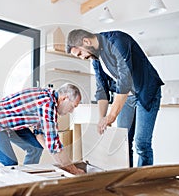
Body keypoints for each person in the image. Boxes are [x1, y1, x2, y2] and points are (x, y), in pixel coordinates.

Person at [66, 29, 164, 167]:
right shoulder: (96, 59)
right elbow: (102, 90)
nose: (82, 57)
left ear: (86, 41)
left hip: (146, 91)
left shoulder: (117, 41)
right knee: (124, 141)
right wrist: (102, 118)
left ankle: (143, 179)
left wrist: (111, 116)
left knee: (141, 143)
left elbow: (125, 80)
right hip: (128, 98)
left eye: (80, 53)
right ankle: (127, 178)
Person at [0, 83, 85, 175]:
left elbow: (40, 136)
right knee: (10, 163)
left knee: (36, 147)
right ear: (64, 98)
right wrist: (74, 170)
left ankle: (24, 178)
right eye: (73, 106)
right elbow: (54, 145)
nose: (71, 111)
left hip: (10, 123)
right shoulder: (48, 105)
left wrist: (53, 152)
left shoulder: (48, 97)